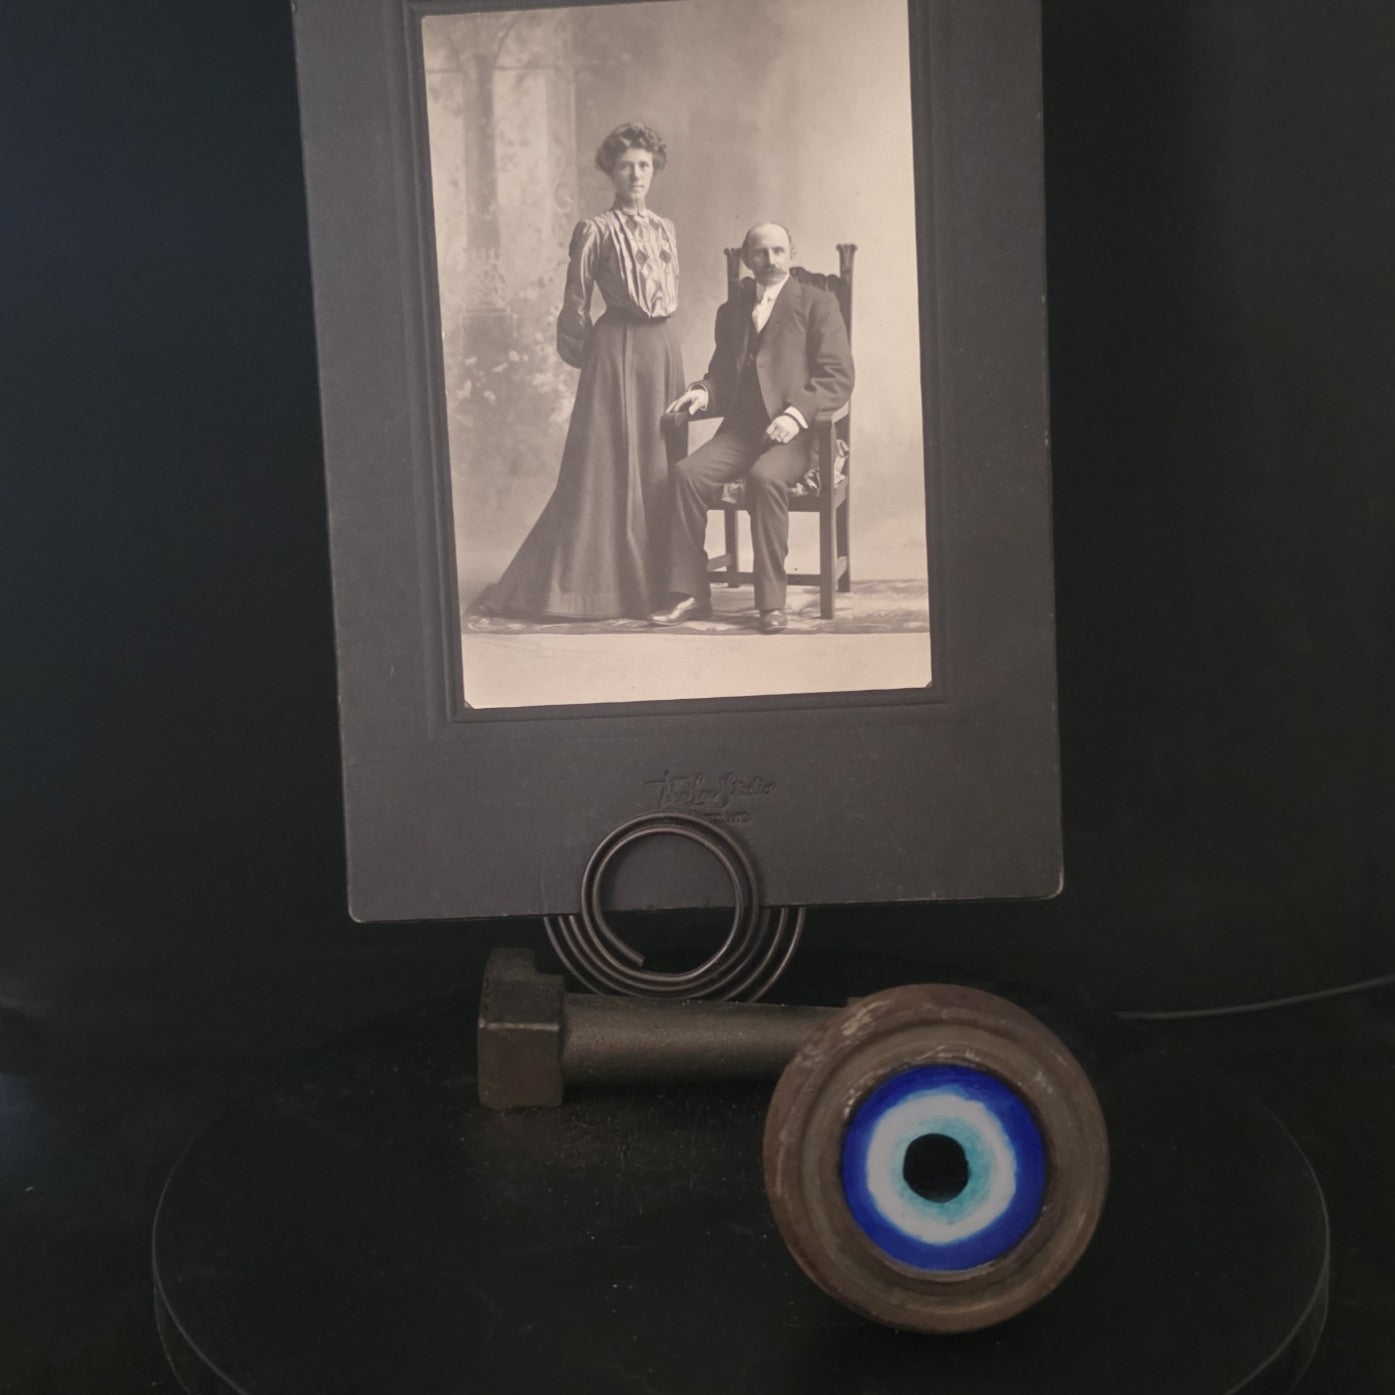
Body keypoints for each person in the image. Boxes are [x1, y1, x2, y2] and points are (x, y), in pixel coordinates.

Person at [475, 124, 683, 620]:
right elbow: (575, 305)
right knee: (607, 464)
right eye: (626, 166)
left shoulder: (666, 228)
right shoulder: (595, 229)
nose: (636, 175)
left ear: (654, 170)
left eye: (645, 166)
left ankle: (663, 582)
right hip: (617, 350)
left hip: (663, 351)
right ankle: (599, 587)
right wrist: (594, 358)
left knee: (659, 460)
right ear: (611, 171)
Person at [650, 222, 853, 634]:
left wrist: (794, 416)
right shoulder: (732, 312)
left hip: (799, 436)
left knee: (765, 477)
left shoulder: (818, 304)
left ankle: (771, 603)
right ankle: (690, 593)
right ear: (746, 258)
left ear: (791, 254)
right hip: (742, 433)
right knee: (686, 475)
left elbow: (838, 377)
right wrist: (703, 394)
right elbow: (722, 377)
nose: (770, 260)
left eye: (778, 251)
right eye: (760, 252)